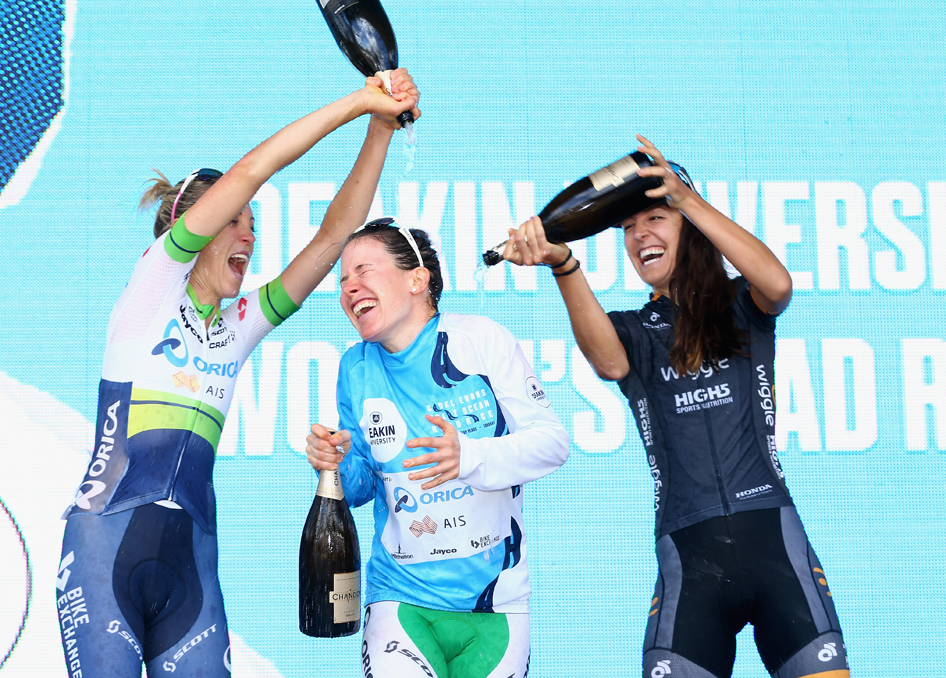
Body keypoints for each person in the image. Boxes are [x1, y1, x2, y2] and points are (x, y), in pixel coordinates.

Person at [57, 72, 420, 678]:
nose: (247, 235)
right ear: (191, 226)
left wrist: (380, 129)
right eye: (233, 222)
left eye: (254, 227)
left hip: (190, 562)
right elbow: (251, 171)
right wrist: (359, 101)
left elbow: (334, 237)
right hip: (105, 547)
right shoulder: (150, 290)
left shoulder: (238, 324)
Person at [502, 135, 849, 678]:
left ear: (688, 225)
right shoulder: (636, 331)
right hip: (689, 556)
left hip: (774, 543)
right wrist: (563, 262)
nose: (640, 235)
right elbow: (608, 364)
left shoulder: (742, 304)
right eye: (628, 229)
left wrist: (686, 198)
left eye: (656, 219)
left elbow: (778, 283)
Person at [305, 219, 570, 678]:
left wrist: (470, 457)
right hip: (400, 596)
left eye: (363, 271)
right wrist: (335, 464)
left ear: (417, 278)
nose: (349, 288)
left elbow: (552, 444)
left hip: (497, 604)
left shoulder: (480, 340)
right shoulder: (355, 366)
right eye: (343, 280)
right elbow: (363, 485)